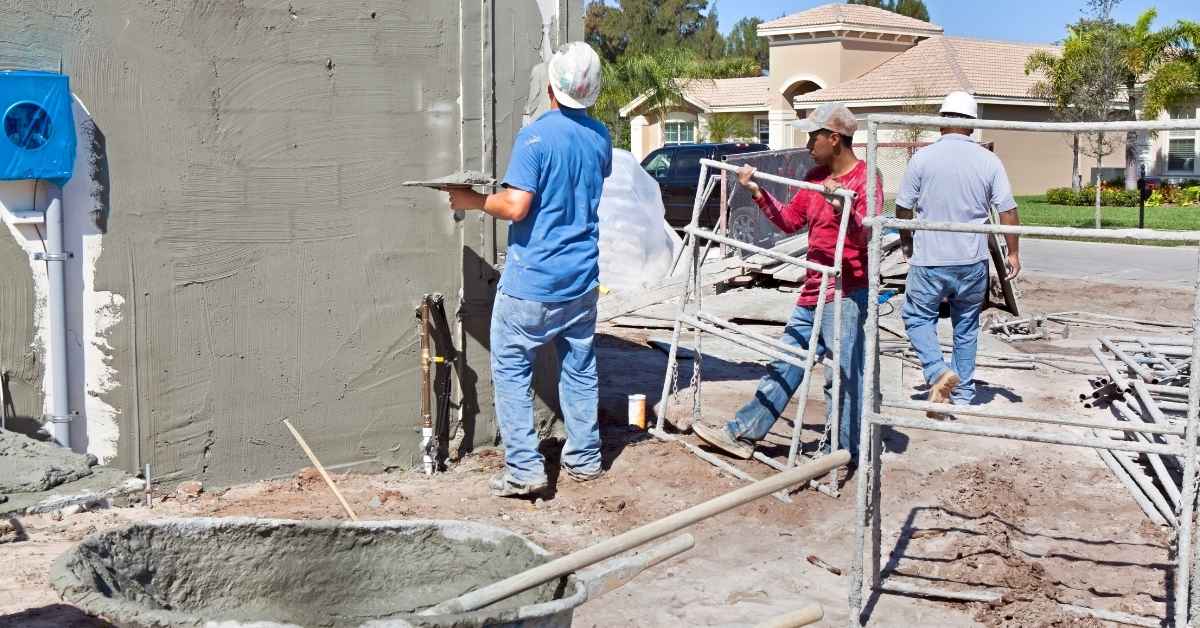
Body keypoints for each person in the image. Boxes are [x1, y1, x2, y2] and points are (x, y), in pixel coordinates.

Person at [447, 42, 612, 497]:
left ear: (551, 87)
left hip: (533, 283)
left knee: (512, 369)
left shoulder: (536, 136)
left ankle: (524, 469)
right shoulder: (601, 138)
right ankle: (585, 458)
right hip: (581, 281)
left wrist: (472, 200)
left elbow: (517, 206)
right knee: (580, 369)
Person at [692, 103, 881, 467]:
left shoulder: (864, 179)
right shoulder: (813, 178)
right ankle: (743, 433)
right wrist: (757, 191)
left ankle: (838, 453)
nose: (809, 143)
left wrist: (842, 208)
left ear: (835, 139)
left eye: (814, 135)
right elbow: (790, 221)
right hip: (813, 288)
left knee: (839, 377)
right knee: (786, 363)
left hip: (844, 292)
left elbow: (865, 236)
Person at [895, 91, 1021, 415]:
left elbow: (903, 208)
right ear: (972, 125)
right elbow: (1008, 210)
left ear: (941, 122)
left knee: (915, 316)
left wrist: (906, 241)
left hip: (930, 260)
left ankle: (938, 372)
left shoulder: (922, 158)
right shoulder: (988, 160)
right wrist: (1013, 252)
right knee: (965, 326)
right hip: (971, 260)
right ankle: (962, 396)